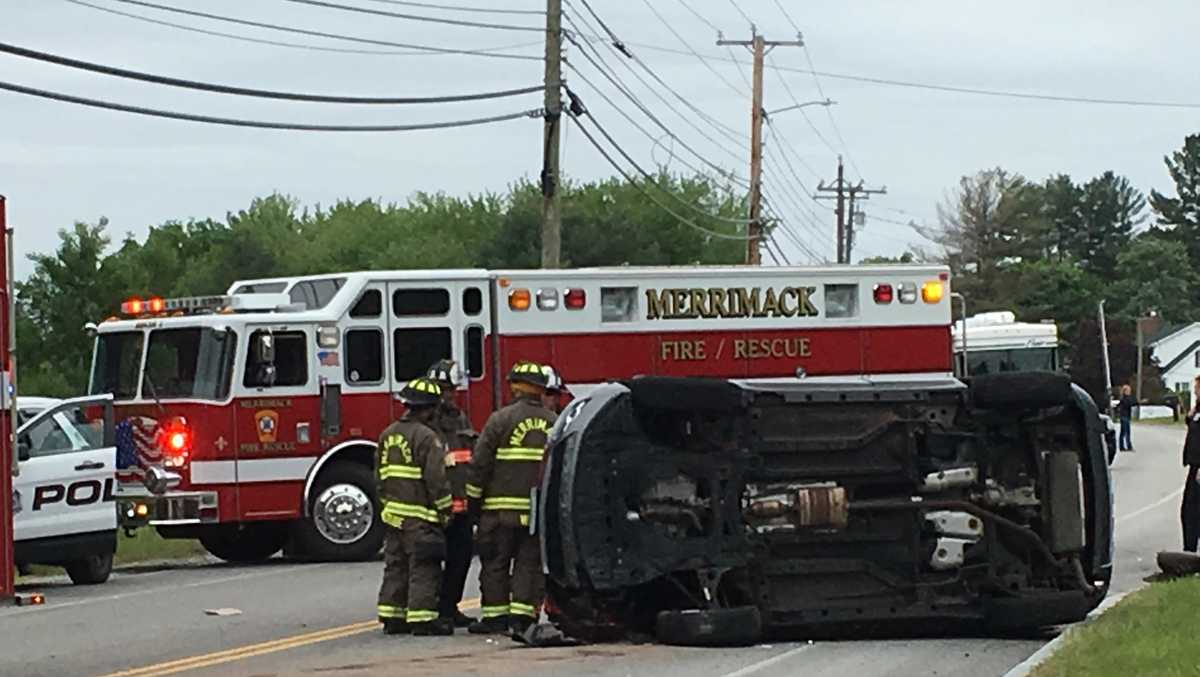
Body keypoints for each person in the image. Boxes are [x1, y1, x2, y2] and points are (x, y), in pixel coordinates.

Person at [466, 361, 557, 638]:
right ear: (541, 390)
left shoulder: (499, 420)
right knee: (529, 564)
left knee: (495, 562)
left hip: (498, 511)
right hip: (534, 512)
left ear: (515, 388)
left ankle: (495, 617)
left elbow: (480, 464)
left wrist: (473, 502)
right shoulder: (555, 423)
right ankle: (522, 617)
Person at [375, 378, 455, 636]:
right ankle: (422, 619)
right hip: (419, 517)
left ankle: (392, 616)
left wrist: (387, 507)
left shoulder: (387, 434)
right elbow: (436, 480)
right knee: (424, 565)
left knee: (395, 564)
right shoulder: (427, 437)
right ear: (429, 409)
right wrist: (445, 511)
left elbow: (379, 477)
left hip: (394, 516)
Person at [425, 359, 477, 629]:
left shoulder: (460, 419)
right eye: (442, 389)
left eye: (450, 389)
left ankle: (449, 606)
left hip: (461, 506)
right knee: (431, 560)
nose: (447, 395)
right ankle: (430, 609)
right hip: (434, 507)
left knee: (461, 558)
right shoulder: (425, 425)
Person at [1182, 375, 1200, 552]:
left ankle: (1191, 549)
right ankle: (1190, 548)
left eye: (1197, 388)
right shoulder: (1197, 410)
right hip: (1194, 464)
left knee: (1193, 509)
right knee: (1189, 510)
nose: (1195, 391)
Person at [1117, 384, 1136, 451]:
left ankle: (1122, 446)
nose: (1129, 392)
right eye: (1128, 390)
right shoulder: (1125, 398)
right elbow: (1129, 404)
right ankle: (1128, 446)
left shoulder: (1124, 398)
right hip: (1124, 417)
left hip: (1125, 416)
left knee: (1124, 432)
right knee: (1126, 432)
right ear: (1125, 391)